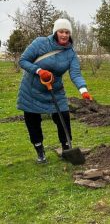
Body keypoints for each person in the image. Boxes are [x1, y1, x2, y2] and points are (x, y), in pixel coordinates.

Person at [17, 18, 93, 164]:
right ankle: (40, 152)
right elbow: (23, 60)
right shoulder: (40, 43)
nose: (64, 35)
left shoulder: (70, 53)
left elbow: (76, 74)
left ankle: (66, 149)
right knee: (33, 120)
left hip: (55, 90)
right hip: (32, 89)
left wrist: (83, 90)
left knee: (63, 116)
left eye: (67, 32)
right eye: (61, 31)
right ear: (55, 32)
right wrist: (39, 71)